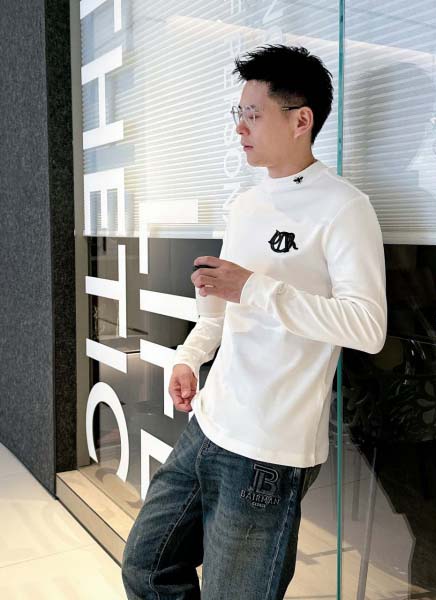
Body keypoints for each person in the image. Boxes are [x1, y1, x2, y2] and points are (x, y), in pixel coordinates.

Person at [121, 44, 387, 600]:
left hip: (269, 451)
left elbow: (368, 326)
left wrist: (256, 288)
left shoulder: (344, 207)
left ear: (300, 120)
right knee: (146, 567)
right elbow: (221, 312)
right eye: (237, 113)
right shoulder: (245, 204)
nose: (239, 127)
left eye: (252, 114)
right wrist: (190, 358)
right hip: (208, 423)